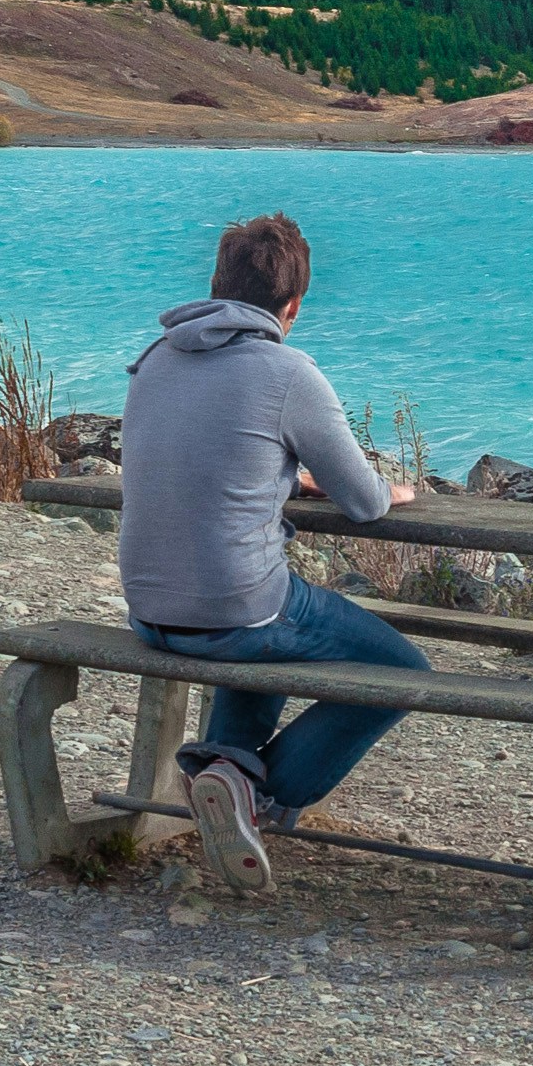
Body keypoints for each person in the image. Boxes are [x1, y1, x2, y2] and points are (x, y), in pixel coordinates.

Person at [117, 211, 420, 892]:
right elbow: (366, 502)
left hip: (149, 606)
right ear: (293, 306)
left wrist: (282, 473)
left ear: (217, 283)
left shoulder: (156, 359)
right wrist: (389, 491)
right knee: (402, 672)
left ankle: (225, 768)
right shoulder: (287, 372)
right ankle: (253, 793)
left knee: (261, 627)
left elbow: (209, 459)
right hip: (233, 610)